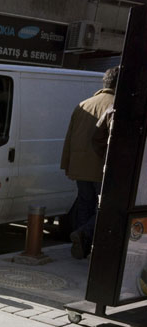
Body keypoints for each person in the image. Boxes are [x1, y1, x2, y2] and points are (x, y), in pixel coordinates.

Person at [60, 66, 118, 259]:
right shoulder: (115, 105)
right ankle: (84, 234)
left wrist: (67, 164)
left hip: (79, 166)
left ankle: (80, 248)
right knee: (104, 208)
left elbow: (69, 138)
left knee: (85, 204)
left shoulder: (83, 104)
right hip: (101, 169)